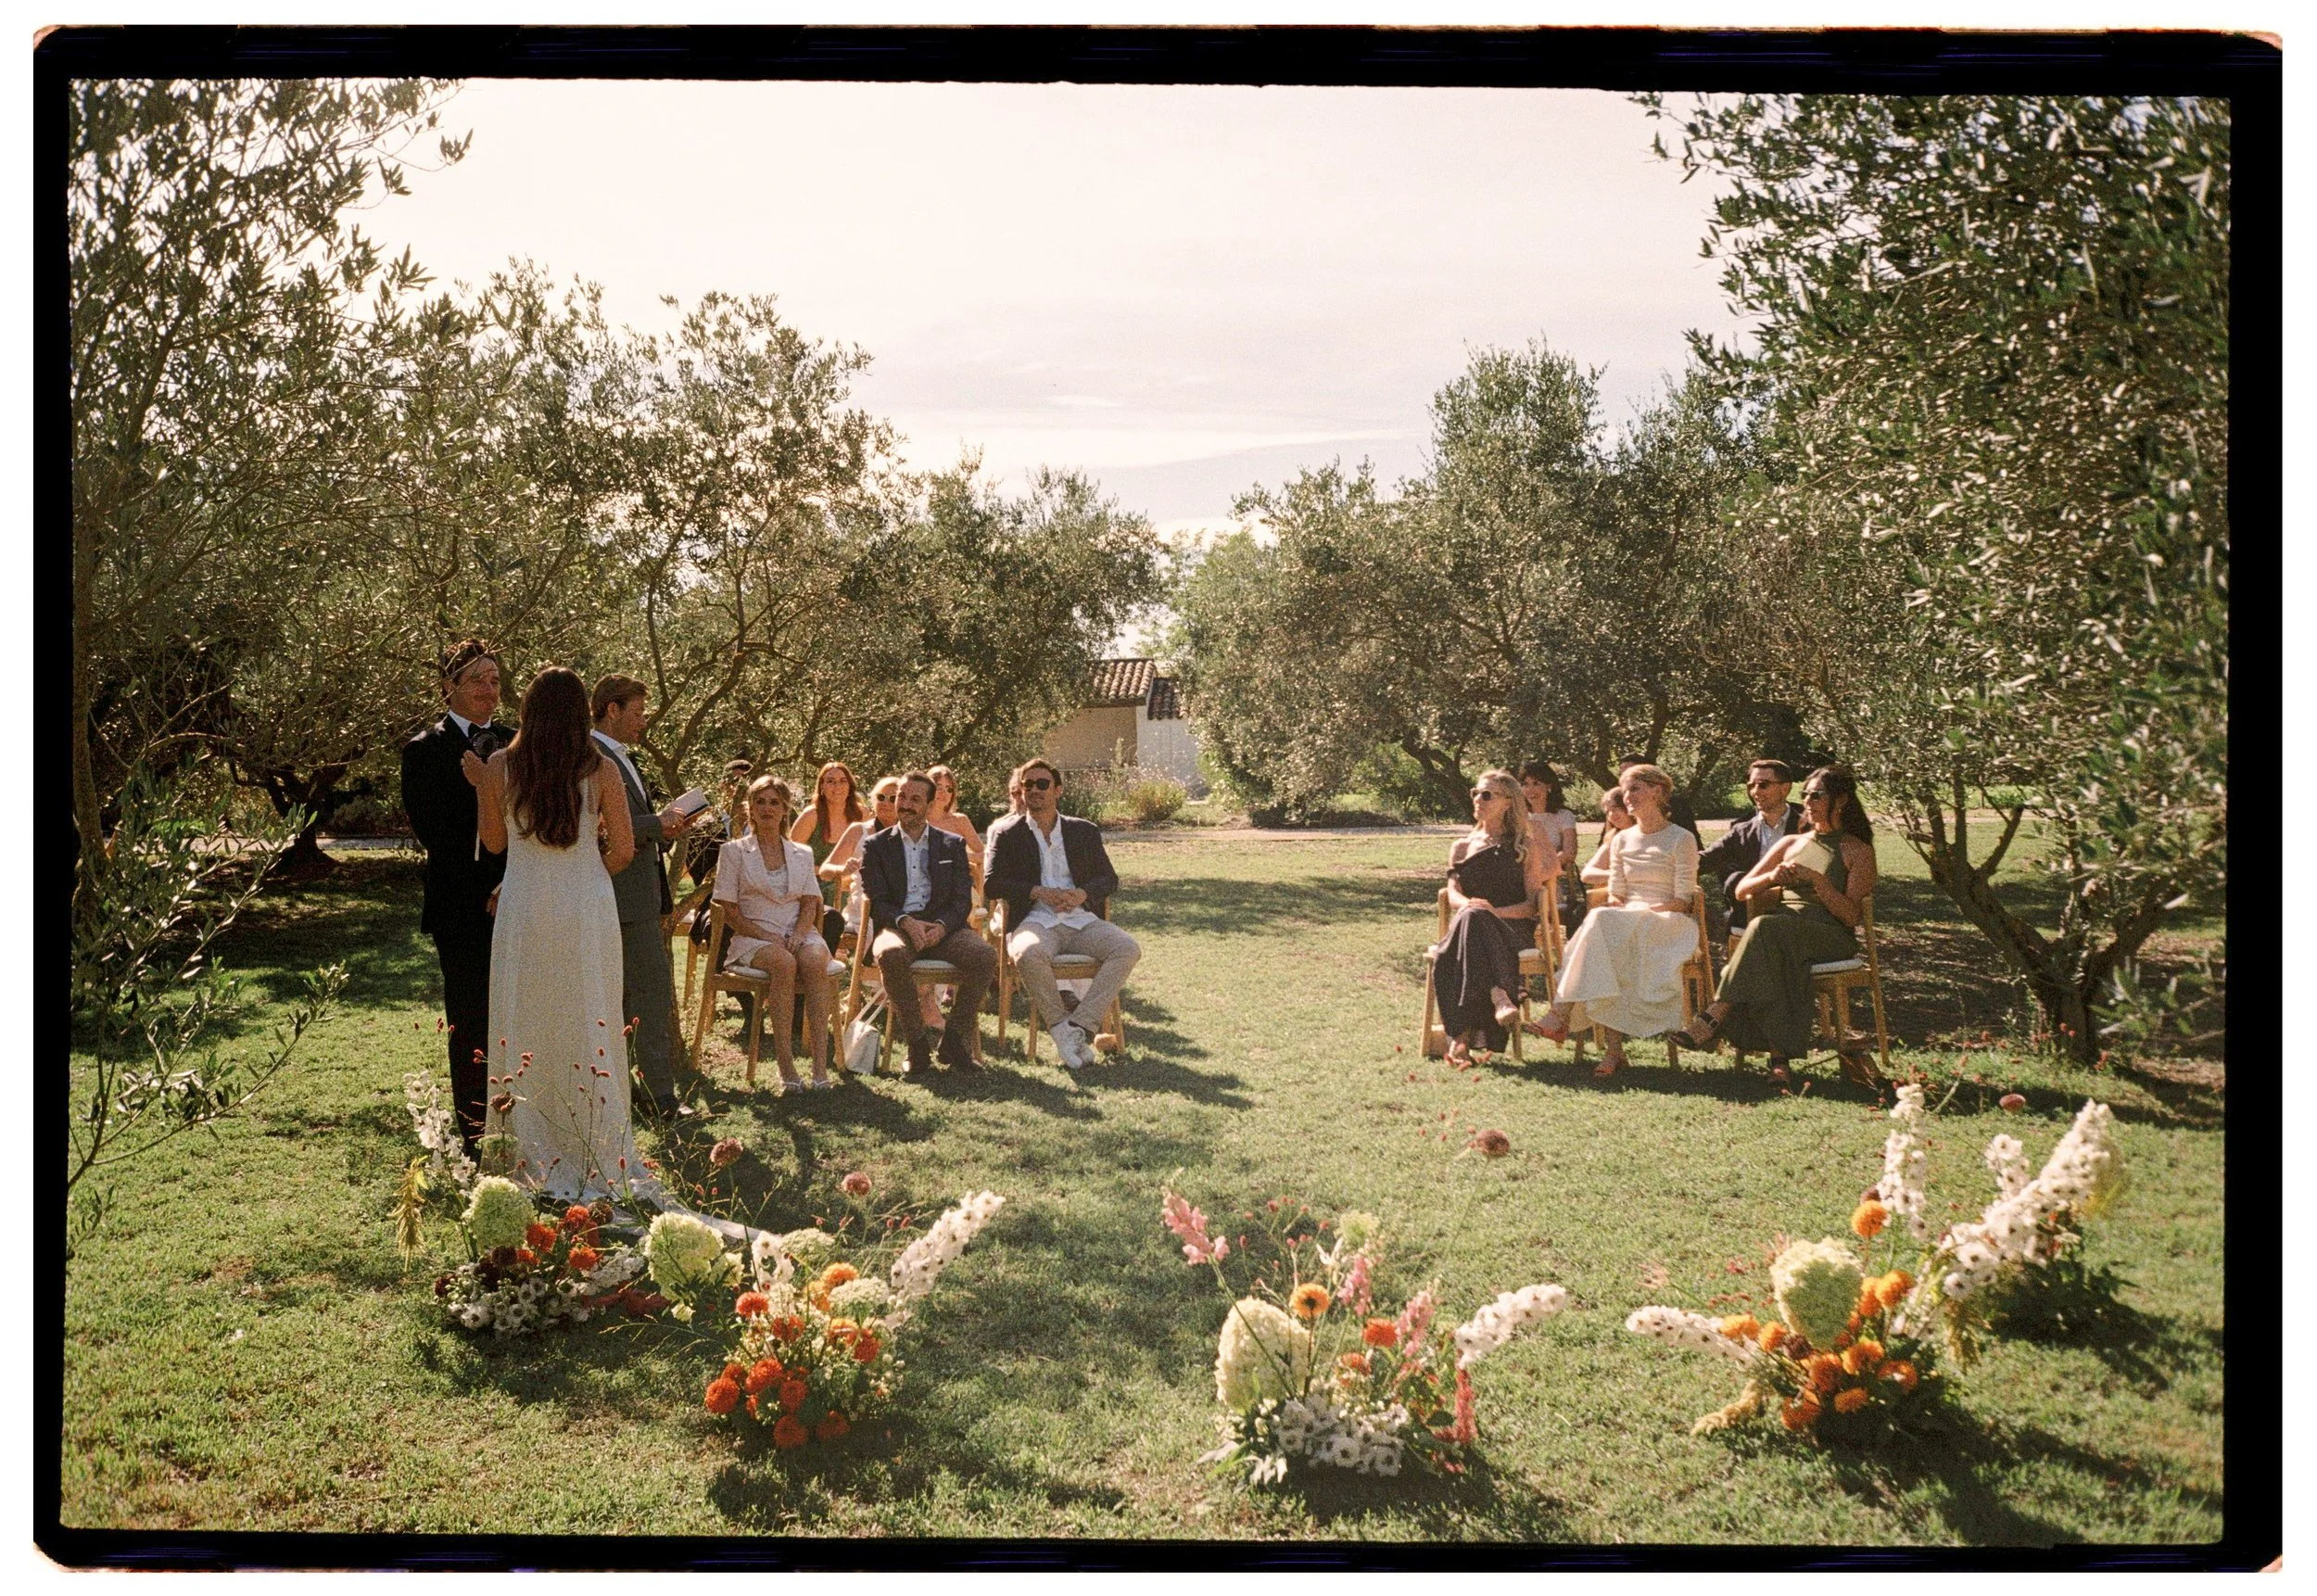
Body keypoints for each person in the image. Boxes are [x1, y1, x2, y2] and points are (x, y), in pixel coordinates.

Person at [472, 665, 646, 1201]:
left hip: (525, 905)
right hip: (584, 909)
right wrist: (585, 876)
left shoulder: (501, 766)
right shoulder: (601, 770)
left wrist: (481, 786)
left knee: (524, 1014)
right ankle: (595, 1141)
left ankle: (527, 1141)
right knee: (588, 1011)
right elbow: (622, 850)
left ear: (527, 710)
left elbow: (495, 845)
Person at [1677, 766, 1881, 1085]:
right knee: (1771, 944)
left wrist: (1817, 880)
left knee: (1764, 929)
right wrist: (1773, 877)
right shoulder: (1791, 844)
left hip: (1829, 935)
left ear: (1840, 801)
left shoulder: (1856, 850)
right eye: (1806, 795)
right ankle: (1779, 1062)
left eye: (1818, 795)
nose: (1809, 801)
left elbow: (1850, 916)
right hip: (1782, 933)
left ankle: (1717, 1013)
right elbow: (1744, 890)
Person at [400, 639, 516, 1152]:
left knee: (519, 1012)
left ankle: (522, 1123)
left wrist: (510, 881)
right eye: (477, 680)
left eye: (495, 679)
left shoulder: (517, 742)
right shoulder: (425, 749)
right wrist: (481, 791)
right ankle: (475, 1132)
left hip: (519, 896)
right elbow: (437, 835)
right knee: (470, 1017)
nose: (490, 690)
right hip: (461, 909)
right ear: (449, 687)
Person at [1532, 764, 1703, 1077]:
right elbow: (1618, 894)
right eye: (1624, 791)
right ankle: (1613, 1051)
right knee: (1606, 937)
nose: (1628, 797)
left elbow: (1682, 901)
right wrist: (1620, 908)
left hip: (1669, 922)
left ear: (1658, 791)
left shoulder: (1681, 838)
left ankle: (1561, 1013)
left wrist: (1633, 913)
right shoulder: (1622, 840)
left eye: (1635, 789)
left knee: (1603, 924)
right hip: (1627, 922)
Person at [984, 759, 1140, 1072]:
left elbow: (1109, 879)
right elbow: (991, 884)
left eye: (1042, 784)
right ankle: (1059, 1027)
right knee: (1027, 953)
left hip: (1081, 920)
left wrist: (1082, 893)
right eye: (1028, 785)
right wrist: (1037, 891)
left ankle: (1080, 1027)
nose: (1034, 791)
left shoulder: (1083, 831)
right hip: (1037, 919)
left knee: (1127, 948)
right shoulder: (1007, 833)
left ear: (1058, 791)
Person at [590, 674, 698, 1118]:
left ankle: (637, 1092)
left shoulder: (622, 758)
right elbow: (595, 829)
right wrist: (656, 823)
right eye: (637, 712)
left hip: (638, 895)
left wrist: (666, 829)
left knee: (636, 998)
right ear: (611, 710)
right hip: (620, 897)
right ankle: (660, 1097)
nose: (644, 721)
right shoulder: (594, 759)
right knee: (647, 995)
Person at [862, 771, 996, 1072]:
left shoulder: (951, 844)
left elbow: (963, 898)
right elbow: (877, 898)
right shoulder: (876, 846)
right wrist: (906, 922)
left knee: (984, 955)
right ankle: (917, 1045)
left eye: (915, 799)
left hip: (945, 929)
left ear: (929, 804)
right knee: (889, 954)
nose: (905, 804)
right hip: (898, 927)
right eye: (902, 797)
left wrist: (942, 926)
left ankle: (953, 1039)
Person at [713, 776, 835, 1091]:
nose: (767, 808)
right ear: (751, 809)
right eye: (760, 802)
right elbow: (728, 909)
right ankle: (786, 1067)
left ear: (785, 809)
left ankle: (820, 1068)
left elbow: (811, 902)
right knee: (783, 963)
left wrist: (798, 934)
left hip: (798, 932)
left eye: (774, 802)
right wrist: (768, 938)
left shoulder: (802, 853)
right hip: (754, 936)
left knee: (814, 959)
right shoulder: (734, 852)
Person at [1428, 769, 1550, 1065]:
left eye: (1487, 794)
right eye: (1475, 793)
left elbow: (1533, 904)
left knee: (1475, 921)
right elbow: (1452, 893)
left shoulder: (1524, 847)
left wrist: (1492, 912)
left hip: (1510, 929)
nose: (1478, 799)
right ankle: (1500, 993)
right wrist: (1473, 908)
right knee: (1473, 917)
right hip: (1468, 926)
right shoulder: (1461, 846)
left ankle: (1459, 1039)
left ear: (1508, 802)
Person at [1696, 759, 1804, 934]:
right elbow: (1707, 859)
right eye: (1751, 786)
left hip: (1797, 910)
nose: (1755, 792)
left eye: (1763, 785)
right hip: (1751, 908)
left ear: (1785, 788)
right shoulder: (1741, 830)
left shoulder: (1807, 825)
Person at [791, 760, 866, 945]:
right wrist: (829, 872)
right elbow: (790, 859)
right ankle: (833, 944)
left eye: (842, 781)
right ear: (821, 786)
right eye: (830, 781)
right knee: (833, 888)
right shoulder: (811, 816)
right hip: (814, 883)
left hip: (852, 882)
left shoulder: (862, 814)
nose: (837, 786)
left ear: (850, 786)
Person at [1519, 759, 1581, 928]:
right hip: (1519, 873)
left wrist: (1540, 868)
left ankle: (1546, 928)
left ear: (1549, 786)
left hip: (1550, 875)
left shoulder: (1564, 816)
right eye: (1525, 784)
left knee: (1543, 885)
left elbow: (1569, 853)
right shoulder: (1519, 817)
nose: (1530, 790)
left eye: (1536, 784)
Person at [1616, 754, 1700, 841]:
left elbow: (1695, 844)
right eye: (1622, 774)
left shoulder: (1677, 807)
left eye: (1634, 773)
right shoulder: (1618, 808)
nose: (1626, 777)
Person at [1579, 787, 1636, 890]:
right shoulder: (1614, 839)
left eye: (1615, 809)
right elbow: (1587, 874)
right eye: (1607, 812)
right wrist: (1619, 875)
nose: (1611, 815)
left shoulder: (1651, 834)